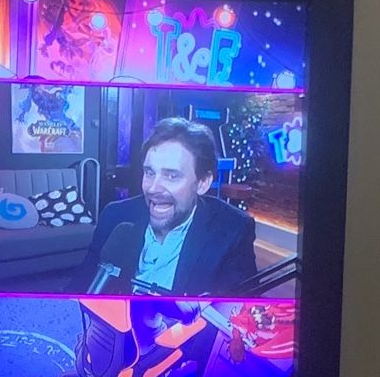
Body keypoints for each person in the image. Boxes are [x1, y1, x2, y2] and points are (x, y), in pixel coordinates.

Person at [72, 118, 258, 297]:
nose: (153, 188)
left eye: (172, 176)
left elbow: (239, 314)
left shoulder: (233, 230)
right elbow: (78, 289)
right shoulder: (115, 216)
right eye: (149, 172)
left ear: (203, 182)